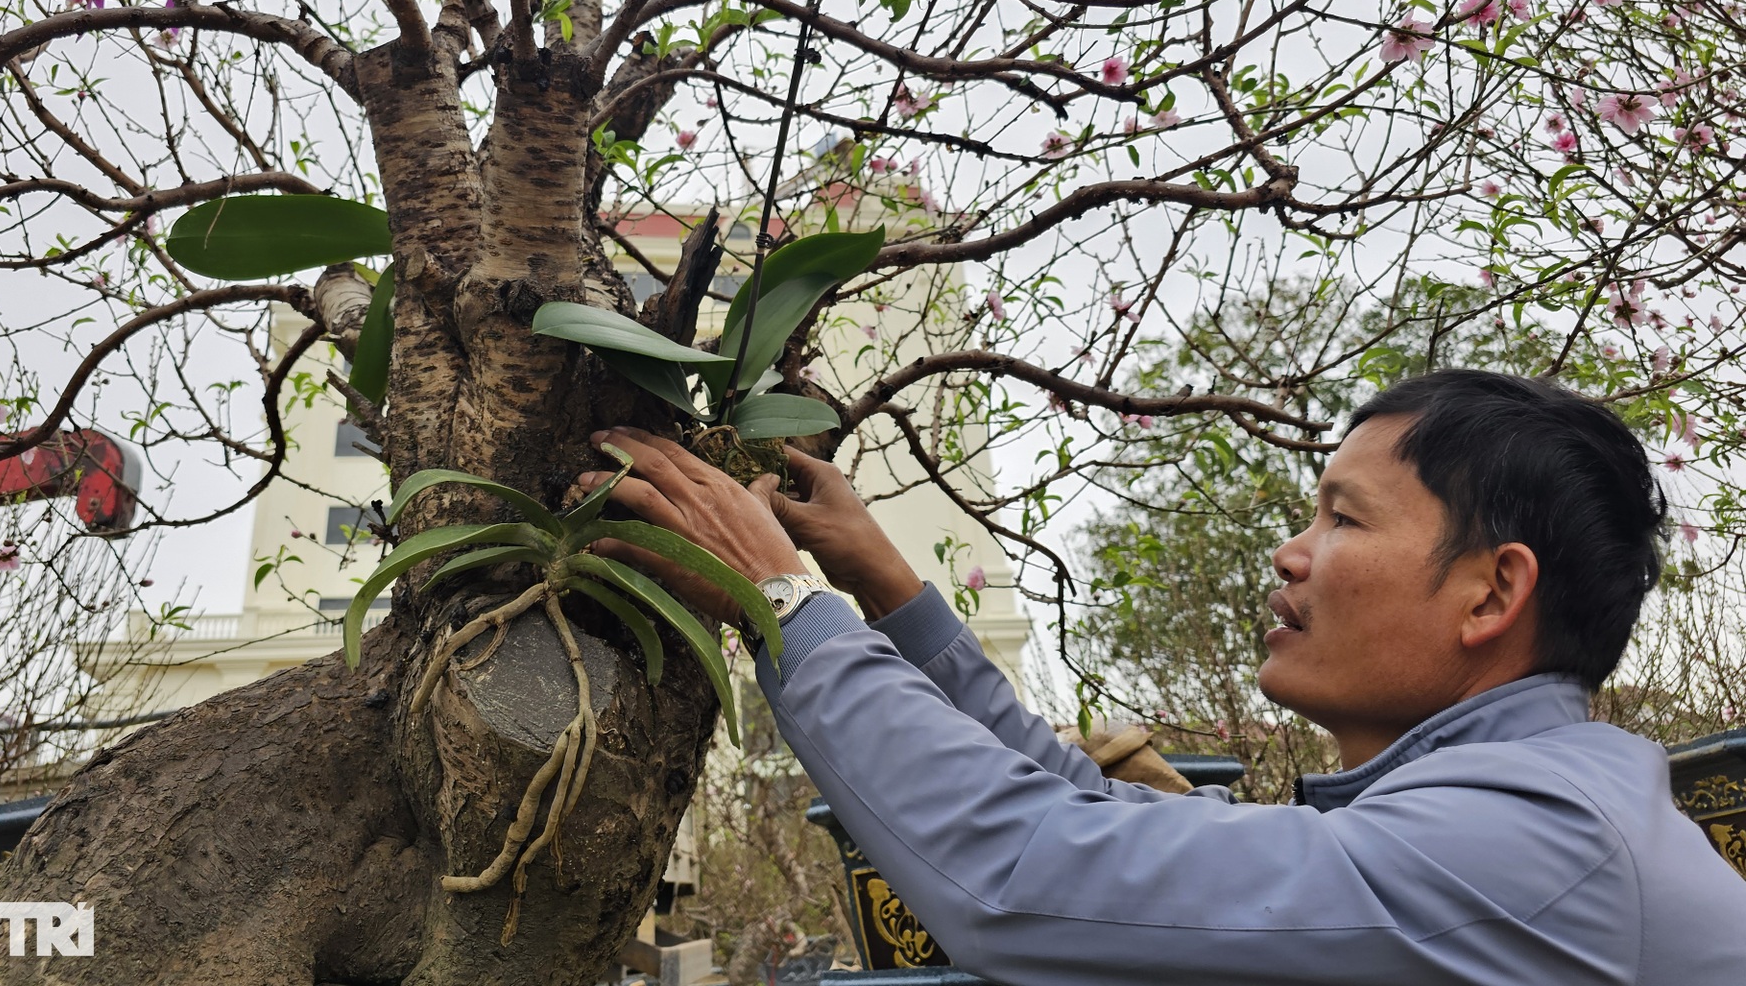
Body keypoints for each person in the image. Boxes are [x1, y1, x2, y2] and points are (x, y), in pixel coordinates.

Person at [583, 369, 1746, 983]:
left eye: (1341, 517)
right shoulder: (1531, 805)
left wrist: (783, 604)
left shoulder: (1525, 848)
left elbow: (1024, 868)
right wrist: (890, 589)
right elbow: (1096, 817)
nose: (1292, 552)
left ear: (1493, 595)